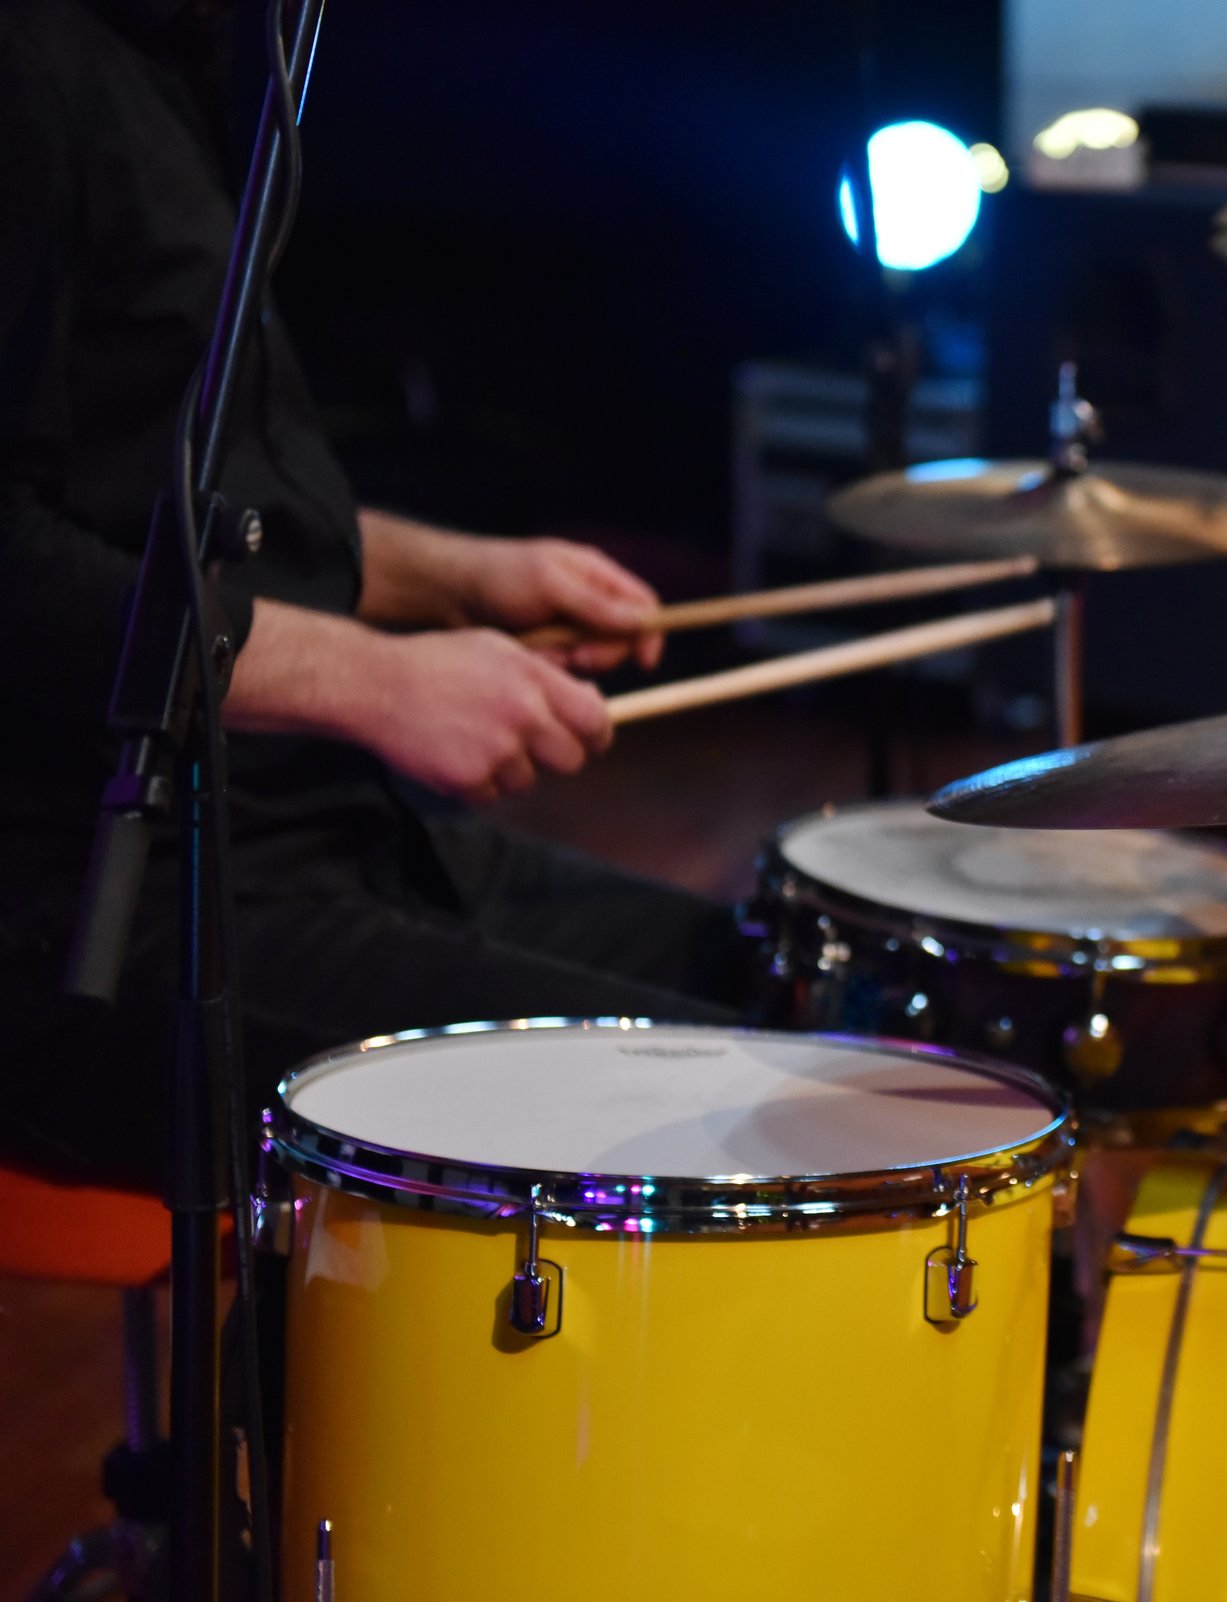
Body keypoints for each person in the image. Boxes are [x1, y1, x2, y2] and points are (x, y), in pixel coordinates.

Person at [0, 0, 749, 1194]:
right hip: (99, 910)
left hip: (313, 839)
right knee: (704, 1115)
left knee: (769, 989)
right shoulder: (29, 62)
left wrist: (463, 576)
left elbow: (190, 515)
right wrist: (380, 680)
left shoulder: (164, 57)